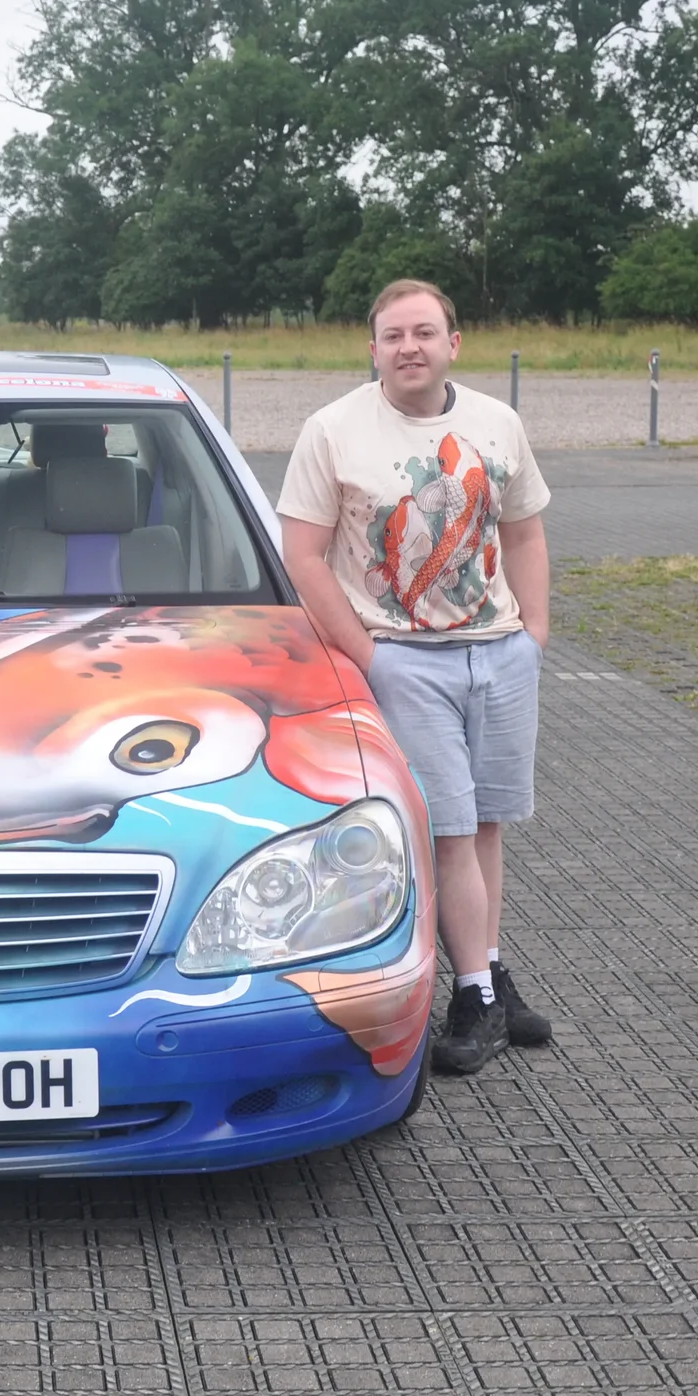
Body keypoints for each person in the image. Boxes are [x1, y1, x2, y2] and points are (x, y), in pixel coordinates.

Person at [276, 278, 554, 1076]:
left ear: (453, 343)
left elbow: (526, 534)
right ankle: (470, 993)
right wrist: (371, 656)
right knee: (448, 831)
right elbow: (303, 557)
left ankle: (488, 972)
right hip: (404, 658)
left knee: (488, 822)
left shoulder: (498, 424)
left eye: (424, 333)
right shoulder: (333, 430)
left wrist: (533, 632)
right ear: (372, 348)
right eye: (393, 335)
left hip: (498, 651)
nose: (409, 348)